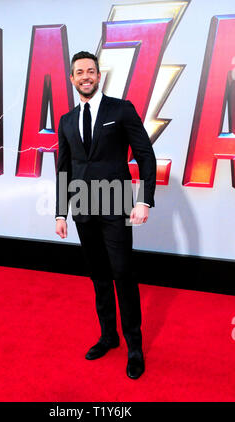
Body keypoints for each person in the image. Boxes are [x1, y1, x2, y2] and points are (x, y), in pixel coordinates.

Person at [55, 51, 156, 379]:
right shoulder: (67, 120)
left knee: (123, 273)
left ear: (99, 76)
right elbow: (64, 168)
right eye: (79, 72)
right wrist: (61, 213)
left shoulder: (121, 109)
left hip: (116, 203)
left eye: (90, 71)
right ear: (72, 79)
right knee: (99, 276)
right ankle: (108, 337)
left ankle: (134, 346)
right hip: (83, 207)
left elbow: (145, 155)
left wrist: (145, 200)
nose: (85, 76)